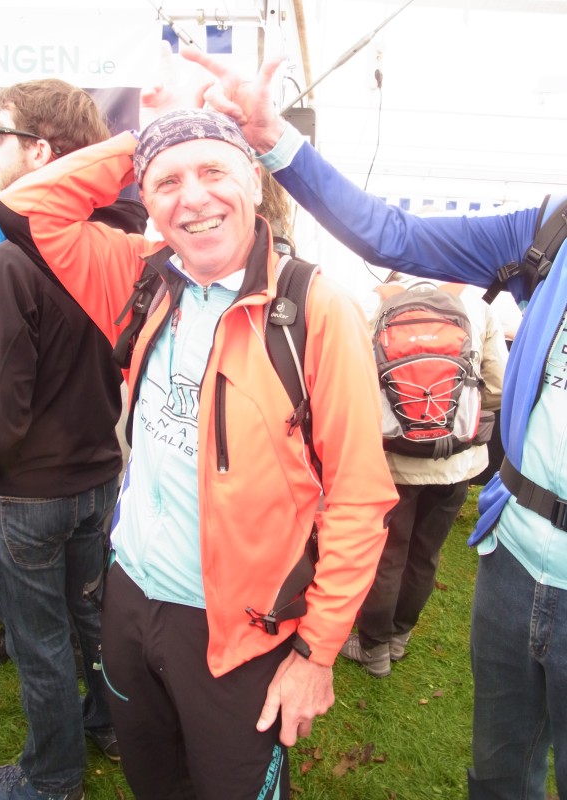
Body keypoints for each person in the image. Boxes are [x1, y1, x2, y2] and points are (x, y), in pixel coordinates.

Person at [179, 48, 567, 800]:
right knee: (498, 770)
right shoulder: (552, 228)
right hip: (516, 558)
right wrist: (272, 137)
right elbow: (392, 234)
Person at [0, 106, 398, 800]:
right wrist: (141, 141)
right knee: (154, 783)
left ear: (254, 180)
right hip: (130, 598)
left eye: (215, 171)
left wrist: (317, 652)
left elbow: (359, 499)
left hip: (242, 629)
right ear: (144, 199)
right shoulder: (141, 274)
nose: (195, 198)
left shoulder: (314, 308)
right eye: (167, 183)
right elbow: (24, 208)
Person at [0, 79, 149, 800]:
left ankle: (50, 778)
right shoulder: (113, 246)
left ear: (41, 152)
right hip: (96, 478)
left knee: (41, 643)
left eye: (1, 135)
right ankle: (109, 724)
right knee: (91, 618)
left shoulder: (8, 263)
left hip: (25, 495)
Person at [340, 272, 508, 677]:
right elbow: (499, 386)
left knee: (388, 554)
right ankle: (399, 637)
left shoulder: (379, 302)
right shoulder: (477, 306)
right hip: (456, 461)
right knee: (425, 554)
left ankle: (373, 647)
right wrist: (454, 416)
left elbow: (354, 378)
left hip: (393, 459)